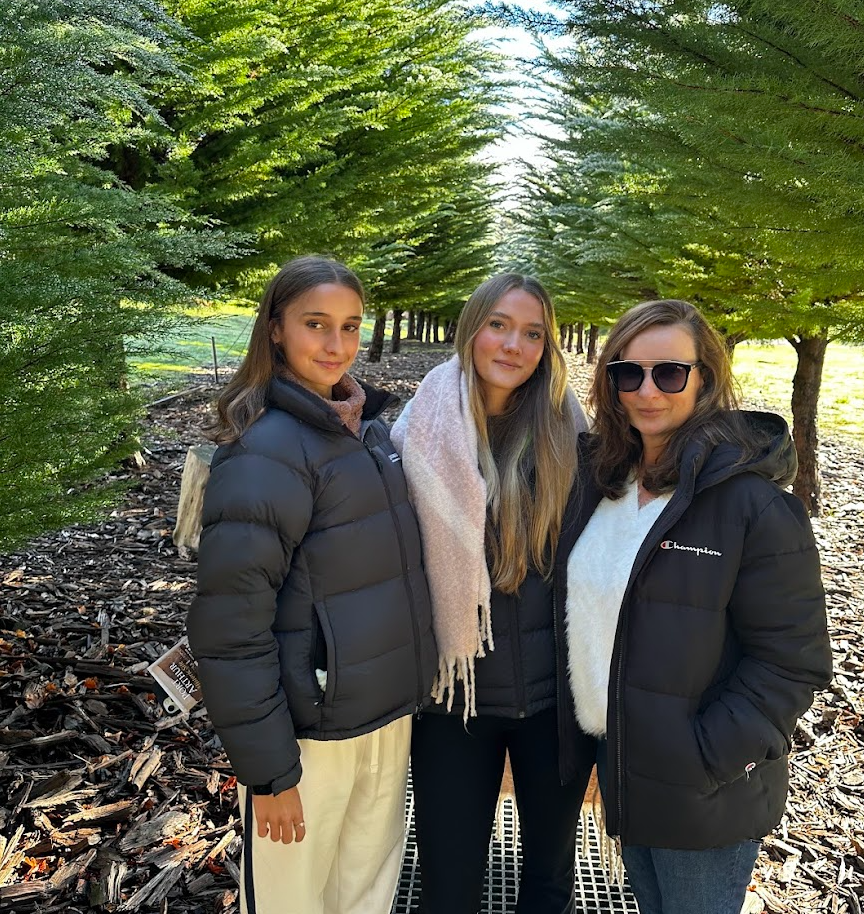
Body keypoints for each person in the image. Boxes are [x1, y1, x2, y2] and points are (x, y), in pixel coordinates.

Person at [555, 299, 833, 914]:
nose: (647, 390)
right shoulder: (607, 484)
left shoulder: (751, 506)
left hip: (703, 787)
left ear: (705, 377)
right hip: (626, 767)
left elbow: (793, 661)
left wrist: (705, 757)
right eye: (628, 373)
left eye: (669, 372)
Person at [187, 255, 437, 914]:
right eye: (316, 324)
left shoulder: (371, 432)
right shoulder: (265, 450)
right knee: (295, 901)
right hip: (310, 737)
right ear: (275, 329)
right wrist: (270, 774)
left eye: (351, 326)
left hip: (383, 721)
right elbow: (230, 626)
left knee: (364, 896)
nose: (336, 345)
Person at [391, 274, 592, 914]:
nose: (514, 345)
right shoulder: (425, 422)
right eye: (499, 325)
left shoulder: (570, 428)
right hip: (455, 696)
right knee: (448, 884)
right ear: (471, 327)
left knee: (548, 882)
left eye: (533, 333)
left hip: (553, 700)